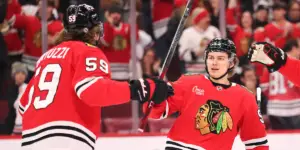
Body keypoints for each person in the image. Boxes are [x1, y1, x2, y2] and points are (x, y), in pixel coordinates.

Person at [18, 4, 171, 150]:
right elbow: (92, 91)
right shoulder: (87, 51)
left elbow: (23, 105)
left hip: (30, 139)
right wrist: (141, 88)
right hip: (66, 139)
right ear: (93, 31)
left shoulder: (46, 57)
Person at [144, 38, 269, 150]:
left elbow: (257, 143)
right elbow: (154, 113)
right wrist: (154, 96)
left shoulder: (245, 97)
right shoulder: (188, 82)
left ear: (231, 63)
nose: (214, 63)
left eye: (220, 58)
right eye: (211, 58)